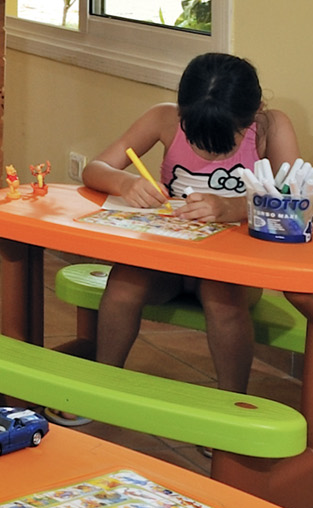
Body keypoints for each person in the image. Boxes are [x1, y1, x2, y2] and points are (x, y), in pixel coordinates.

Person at [76, 51, 296, 396]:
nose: (209, 152)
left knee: (223, 300)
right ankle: (101, 388)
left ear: (255, 112)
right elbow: (95, 169)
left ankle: (230, 404)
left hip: (232, 271)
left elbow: (293, 203)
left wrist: (234, 207)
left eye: (224, 143)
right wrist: (125, 183)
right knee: (122, 285)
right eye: (196, 137)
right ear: (183, 112)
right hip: (168, 261)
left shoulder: (271, 128)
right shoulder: (163, 118)